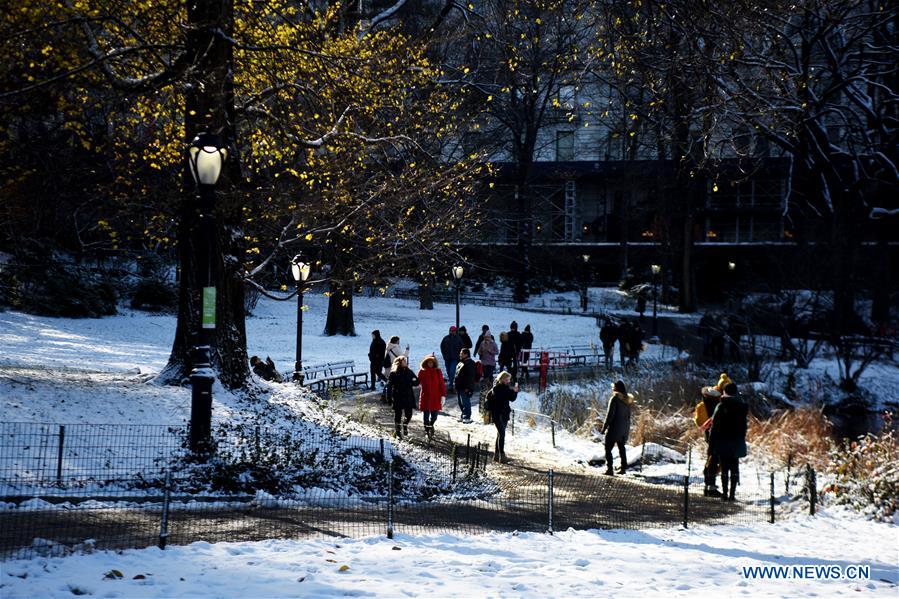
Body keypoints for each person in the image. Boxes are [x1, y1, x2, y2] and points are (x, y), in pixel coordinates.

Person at [708, 382, 748, 501]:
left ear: (724, 392)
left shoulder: (721, 406)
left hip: (722, 440)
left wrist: (711, 443)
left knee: (724, 468)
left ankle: (725, 494)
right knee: (735, 467)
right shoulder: (742, 406)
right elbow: (744, 426)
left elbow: (714, 427)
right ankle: (732, 494)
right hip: (736, 441)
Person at [694, 385, 722, 496]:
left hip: (708, 435)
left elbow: (698, 421)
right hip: (719, 436)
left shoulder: (701, 406)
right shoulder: (719, 406)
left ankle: (708, 485)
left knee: (711, 459)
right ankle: (710, 487)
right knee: (715, 460)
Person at [485, 371, 518, 463]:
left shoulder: (506, 388)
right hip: (497, 414)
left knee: (500, 434)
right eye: (506, 379)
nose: (508, 381)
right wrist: (511, 391)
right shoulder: (497, 388)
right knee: (502, 434)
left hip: (504, 414)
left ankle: (496, 455)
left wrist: (515, 392)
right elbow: (501, 397)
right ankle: (502, 455)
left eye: (509, 379)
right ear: (502, 379)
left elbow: (512, 399)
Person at [601, 380, 634, 475]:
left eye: (613, 387)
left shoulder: (615, 399)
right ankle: (623, 468)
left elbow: (610, 415)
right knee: (621, 448)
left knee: (608, 448)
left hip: (614, 429)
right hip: (624, 429)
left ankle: (609, 469)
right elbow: (628, 417)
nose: (612, 389)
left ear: (616, 388)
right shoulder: (627, 401)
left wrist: (604, 428)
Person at [386, 356, 419, 439]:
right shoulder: (393, 373)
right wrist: (389, 397)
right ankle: (398, 431)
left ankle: (405, 424)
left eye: (405, 361)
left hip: (408, 395)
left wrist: (411, 383)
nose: (405, 362)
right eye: (404, 361)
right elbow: (389, 386)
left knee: (409, 414)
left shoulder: (409, 371)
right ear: (399, 363)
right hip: (398, 396)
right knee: (398, 414)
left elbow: (417, 381)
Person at [417, 354, 446, 439]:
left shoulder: (438, 371)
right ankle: (427, 430)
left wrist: (443, 395)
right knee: (425, 415)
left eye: (432, 362)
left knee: (434, 416)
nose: (430, 364)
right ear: (426, 362)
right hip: (425, 396)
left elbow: (442, 384)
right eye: (429, 362)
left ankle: (431, 425)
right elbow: (417, 381)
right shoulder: (422, 371)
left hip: (436, 397)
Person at [453, 348, 477, 423]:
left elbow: (470, 377)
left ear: (466, 354)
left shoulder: (470, 363)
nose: (460, 354)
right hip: (459, 386)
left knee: (465, 402)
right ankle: (463, 415)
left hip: (465, 387)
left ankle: (467, 416)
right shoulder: (461, 362)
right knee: (461, 402)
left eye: (461, 353)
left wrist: (468, 387)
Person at [440, 326, 463, 392]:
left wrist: (460, 357)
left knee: (452, 371)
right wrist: (444, 355)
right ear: (449, 331)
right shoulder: (446, 338)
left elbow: (461, 348)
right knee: (448, 371)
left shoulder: (458, 339)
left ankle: (451, 385)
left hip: (455, 358)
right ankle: (452, 382)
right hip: (447, 358)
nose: (452, 332)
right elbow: (442, 347)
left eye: (454, 330)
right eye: (451, 330)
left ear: (455, 331)